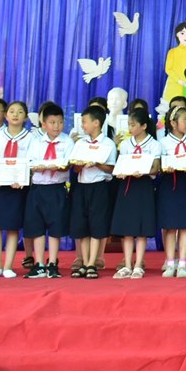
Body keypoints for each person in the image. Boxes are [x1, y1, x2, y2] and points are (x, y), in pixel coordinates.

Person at [0, 100, 33, 278]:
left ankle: (8, 266)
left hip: (17, 187)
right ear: (6, 115)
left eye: (20, 112)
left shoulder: (30, 138)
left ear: (25, 117)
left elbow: (30, 162)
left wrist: (22, 179)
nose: (15, 115)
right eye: (12, 111)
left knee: (13, 227)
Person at [24, 103, 72, 279]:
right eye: (52, 122)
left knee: (55, 227)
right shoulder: (36, 142)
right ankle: (39, 264)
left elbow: (66, 163)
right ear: (43, 124)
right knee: (36, 226)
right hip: (38, 188)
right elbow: (30, 162)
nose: (57, 126)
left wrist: (47, 165)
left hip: (56, 188)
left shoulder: (67, 141)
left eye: (60, 122)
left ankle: (52, 262)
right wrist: (44, 165)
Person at [112, 108, 160, 279]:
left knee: (141, 228)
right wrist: (121, 172)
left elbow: (156, 168)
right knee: (127, 228)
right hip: (128, 186)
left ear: (144, 126)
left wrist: (144, 172)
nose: (130, 128)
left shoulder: (154, 144)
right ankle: (127, 265)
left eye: (133, 125)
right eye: (129, 124)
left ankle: (138, 264)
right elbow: (120, 165)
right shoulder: (126, 144)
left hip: (144, 186)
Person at [69, 105, 116, 279]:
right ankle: (84, 261)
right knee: (82, 225)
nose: (82, 125)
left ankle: (92, 263)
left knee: (97, 224)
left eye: (84, 122)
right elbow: (75, 168)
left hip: (99, 186)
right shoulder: (81, 143)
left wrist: (96, 163)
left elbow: (111, 168)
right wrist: (80, 164)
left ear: (96, 123)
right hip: (82, 186)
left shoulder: (108, 143)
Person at [157, 105, 186, 278]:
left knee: (185, 225)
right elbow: (159, 164)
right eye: (184, 120)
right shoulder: (163, 142)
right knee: (169, 226)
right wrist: (165, 167)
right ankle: (170, 263)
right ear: (173, 123)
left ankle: (182, 264)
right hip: (169, 184)